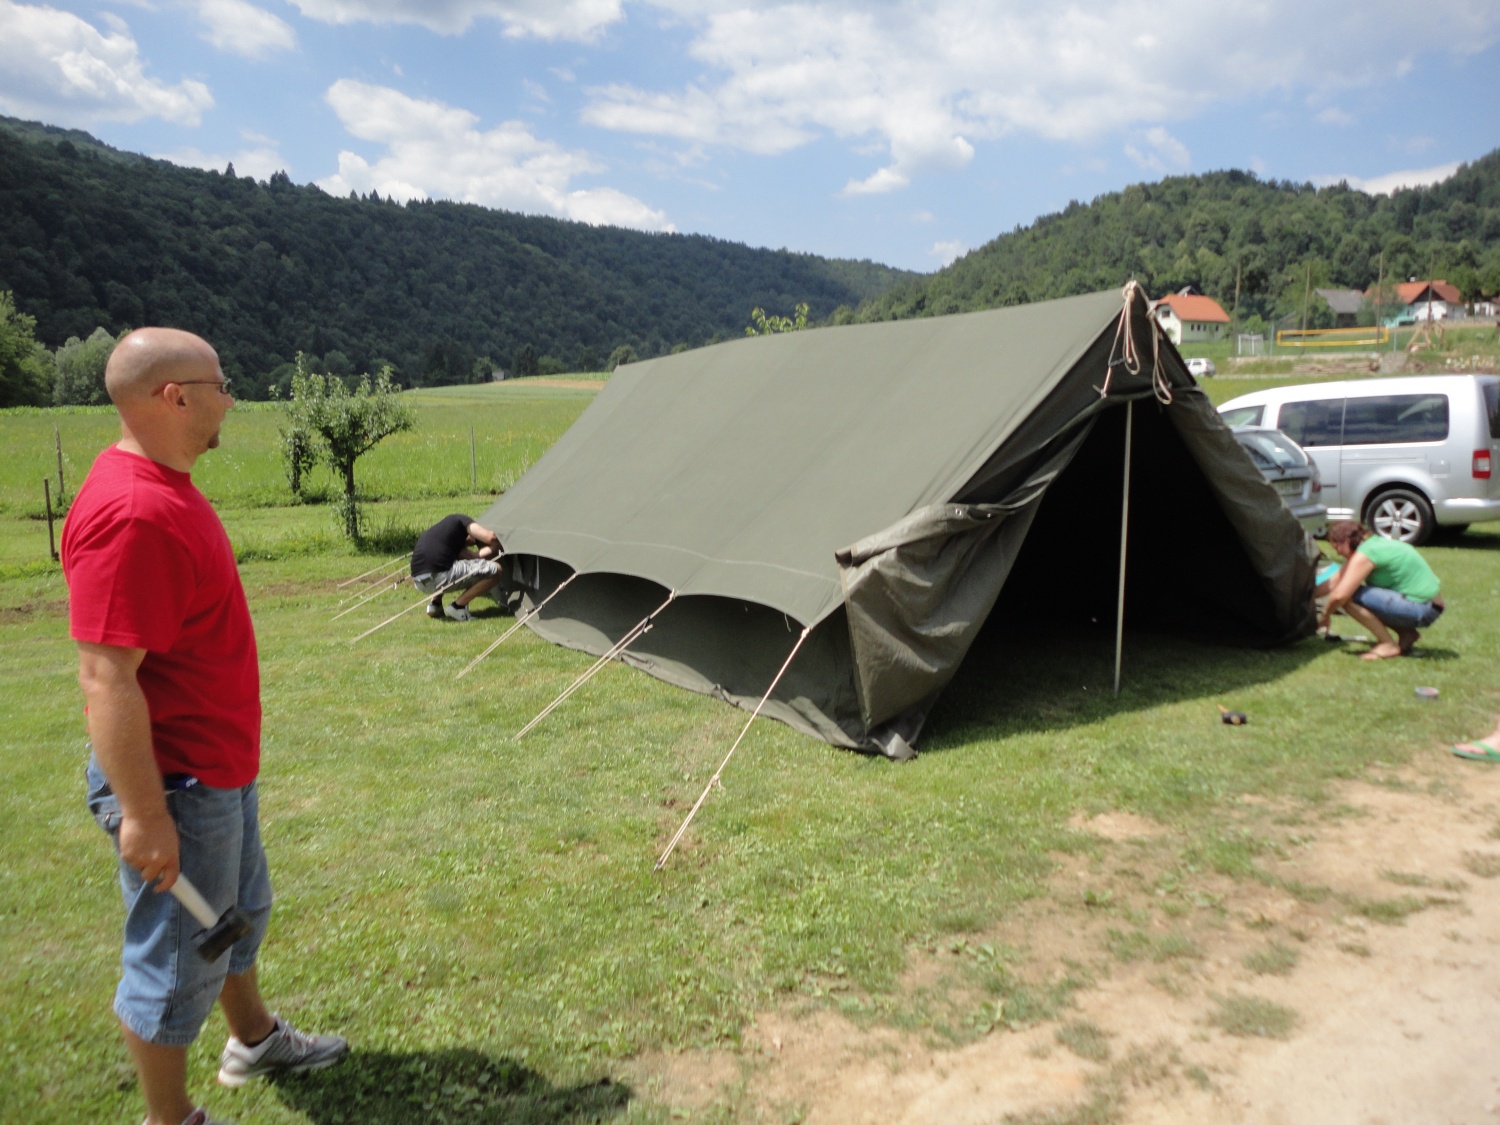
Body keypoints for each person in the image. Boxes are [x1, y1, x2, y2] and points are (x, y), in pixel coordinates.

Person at [63, 328, 347, 1125]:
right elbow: (106, 675)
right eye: (219, 383)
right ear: (172, 396)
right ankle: (171, 1118)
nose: (231, 397)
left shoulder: (163, 483)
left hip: (215, 766)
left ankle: (252, 1038)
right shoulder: (134, 511)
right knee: (175, 961)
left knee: (235, 916)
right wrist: (147, 815)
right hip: (178, 784)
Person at [1319, 520, 1444, 661]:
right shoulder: (1372, 545)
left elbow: (1339, 595)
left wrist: (1325, 615)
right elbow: (1336, 580)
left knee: (1350, 596)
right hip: (1430, 606)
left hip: (1422, 609)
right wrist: (1306, 594)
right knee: (1354, 593)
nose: (1338, 553)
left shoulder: (1367, 553)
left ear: (1345, 542)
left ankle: (1388, 644)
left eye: (1337, 547)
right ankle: (1406, 634)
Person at [411, 513, 504, 621]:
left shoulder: (445, 534)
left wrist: (494, 549)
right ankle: (458, 606)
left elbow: (473, 558)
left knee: (447, 564)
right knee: (495, 570)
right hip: (438, 576)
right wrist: (500, 543)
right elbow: (491, 538)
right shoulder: (461, 520)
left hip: (420, 582)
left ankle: (435, 604)